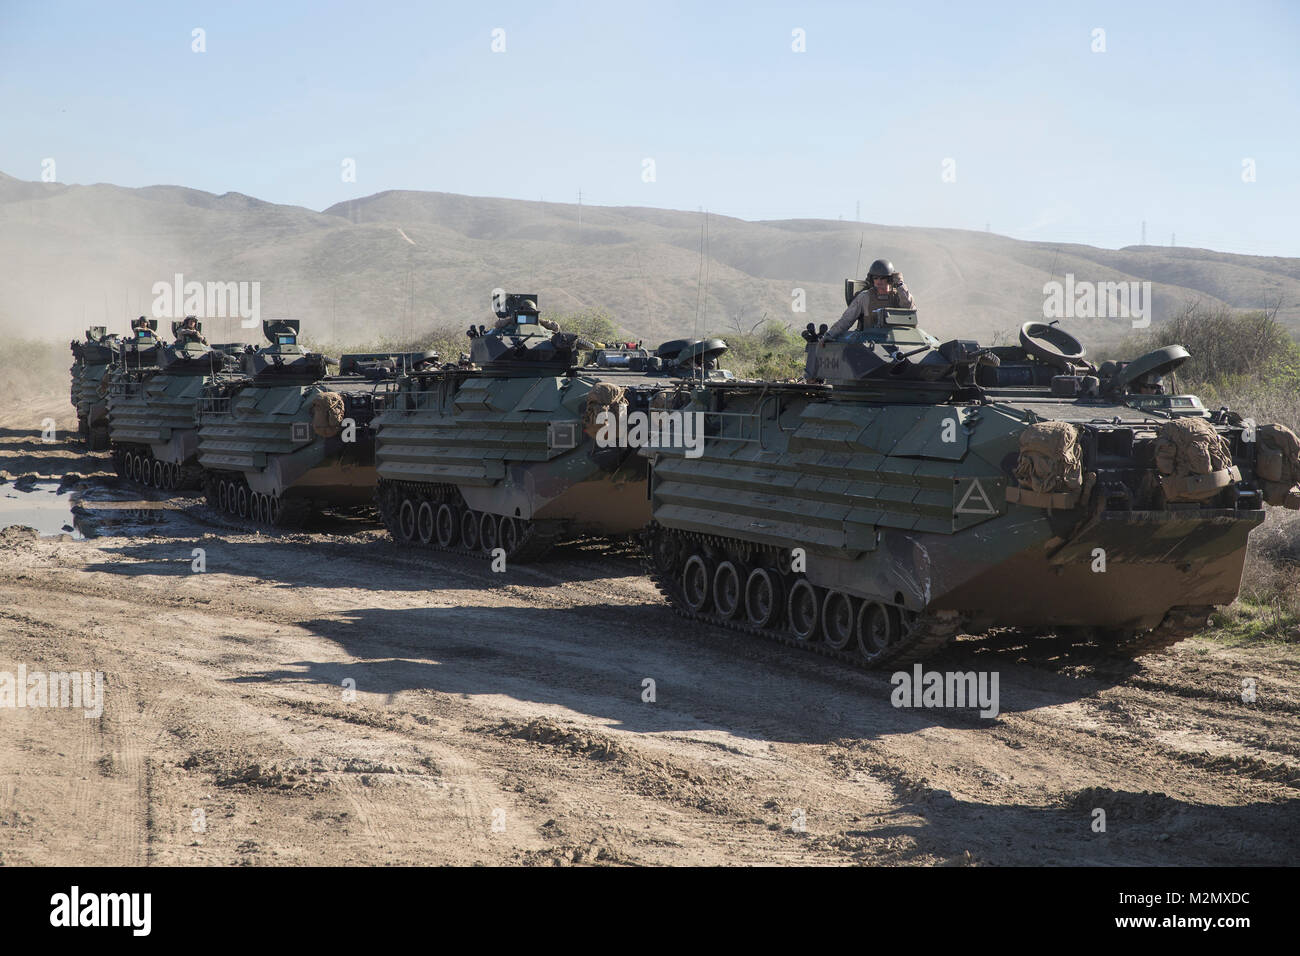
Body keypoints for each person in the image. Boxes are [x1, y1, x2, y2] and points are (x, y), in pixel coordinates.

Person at [827, 259, 916, 337]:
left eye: (882, 278)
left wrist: (900, 286)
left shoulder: (899, 296)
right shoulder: (865, 297)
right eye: (875, 278)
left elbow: (909, 310)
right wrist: (830, 334)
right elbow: (846, 319)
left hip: (894, 341)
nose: (878, 281)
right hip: (869, 343)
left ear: (889, 279)